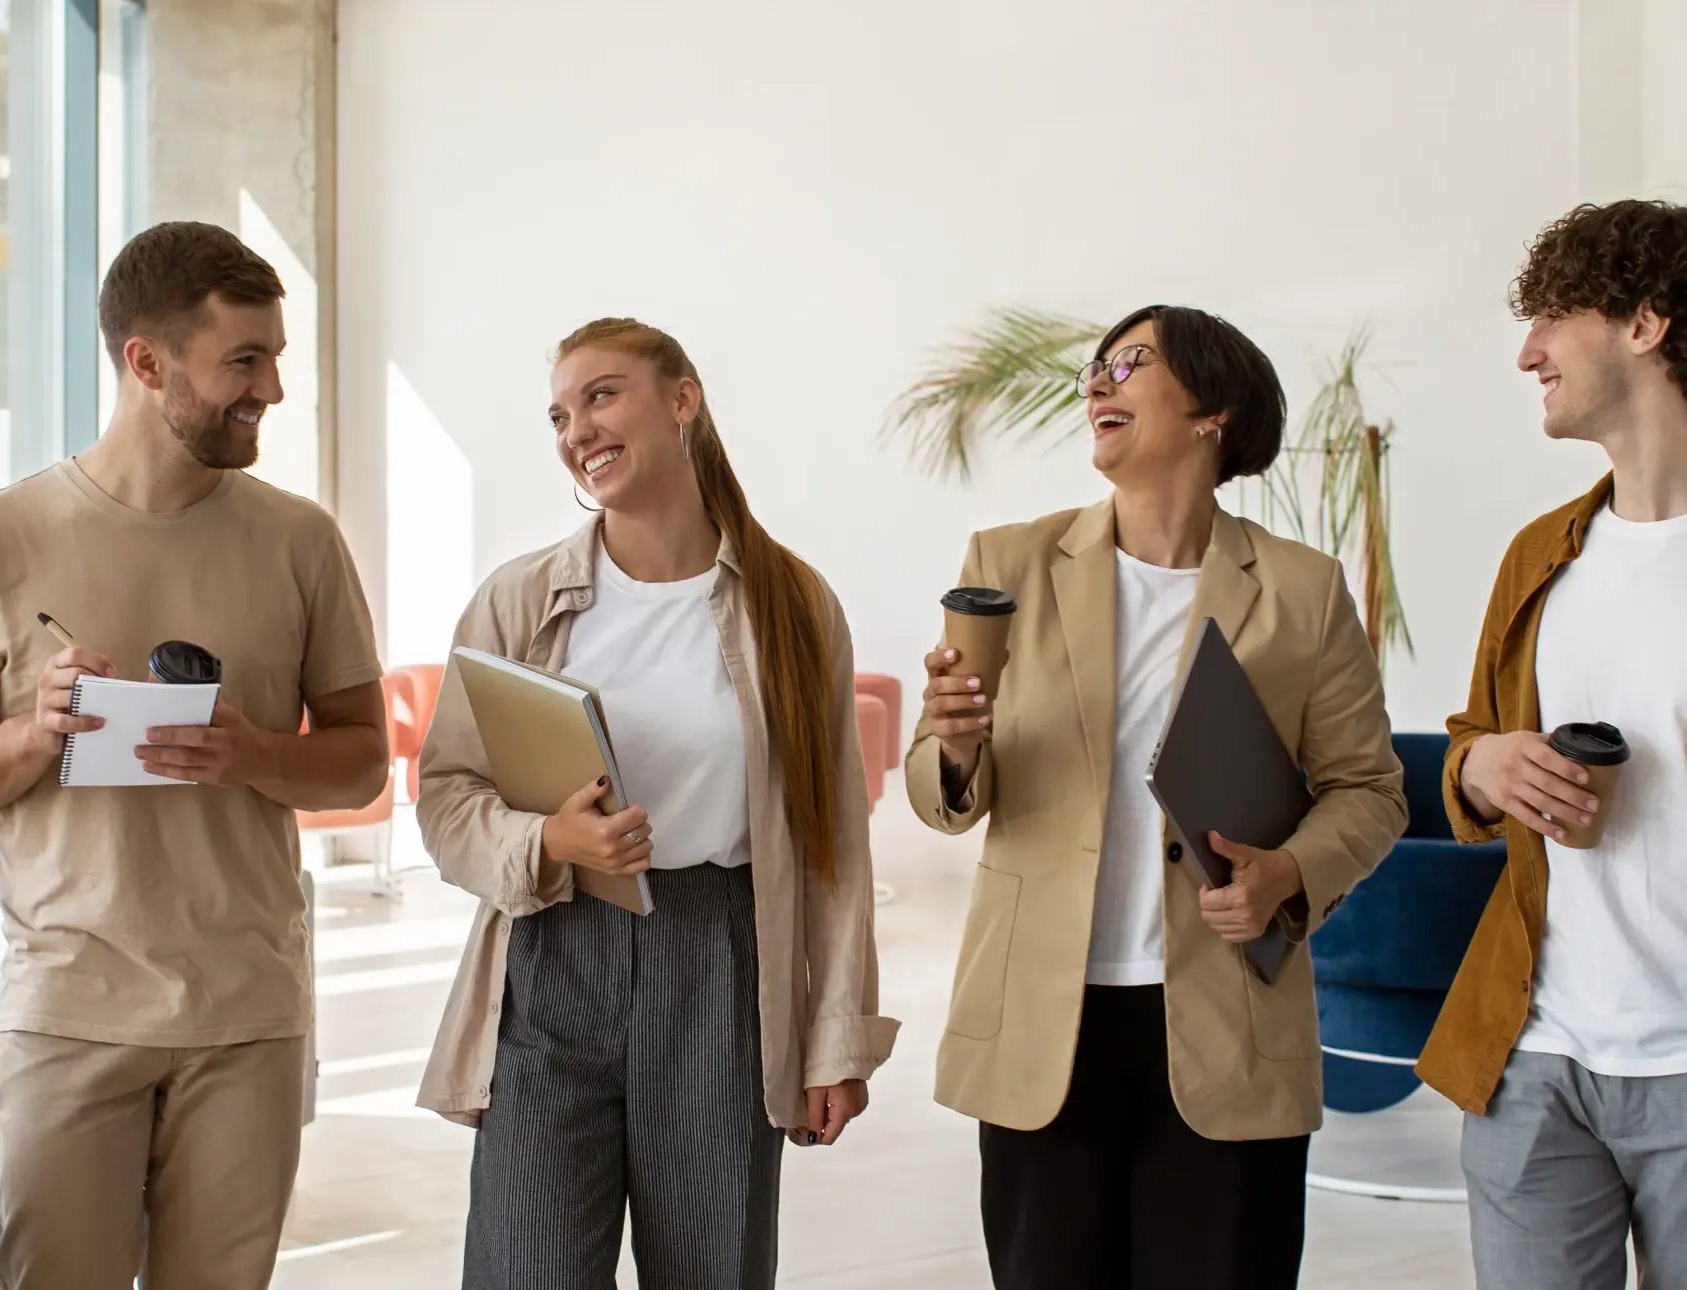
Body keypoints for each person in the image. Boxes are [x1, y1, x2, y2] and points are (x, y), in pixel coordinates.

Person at [0, 221, 387, 1289]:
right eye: (245, 360)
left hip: (248, 1014)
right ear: (148, 362)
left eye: (272, 356)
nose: (269, 387)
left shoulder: (300, 541)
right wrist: (32, 732)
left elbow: (364, 760)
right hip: (69, 1008)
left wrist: (255, 754)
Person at [906, 304, 1407, 1290]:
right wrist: (958, 747)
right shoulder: (1007, 563)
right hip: (1046, 1025)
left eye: (1130, 363)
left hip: (1229, 1029)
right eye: (1095, 368)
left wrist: (1290, 874)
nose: (1098, 382)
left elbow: (1369, 790)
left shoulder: (1300, 590)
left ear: (1213, 408)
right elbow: (944, 794)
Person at [414, 317, 898, 1289]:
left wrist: (834, 1037)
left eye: (601, 394)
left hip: (721, 962)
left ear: (683, 399)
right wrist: (547, 838)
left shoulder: (795, 607)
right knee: (525, 1267)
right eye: (558, 413)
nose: (576, 428)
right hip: (551, 954)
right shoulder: (519, 599)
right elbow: (446, 797)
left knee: (711, 1268)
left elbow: (831, 844)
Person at [1416, 198, 1687, 1290]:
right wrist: (1481, 768)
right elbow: (1472, 743)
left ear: (1645, 323)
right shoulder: (1545, 554)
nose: (1529, 351)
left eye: (1553, 317)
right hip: (1537, 1060)